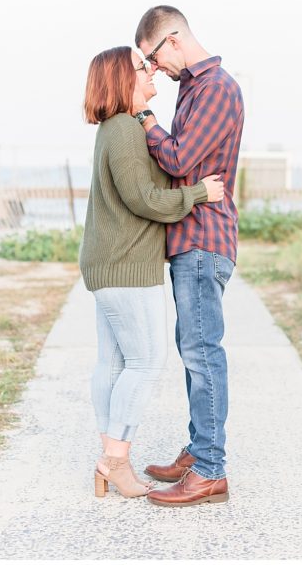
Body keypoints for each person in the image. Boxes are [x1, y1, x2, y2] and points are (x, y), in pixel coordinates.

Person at [79, 46, 225, 499]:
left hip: (112, 262)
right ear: (123, 77)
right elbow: (142, 198)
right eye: (143, 67)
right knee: (145, 362)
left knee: (115, 363)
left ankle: (110, 460)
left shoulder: (116, 128)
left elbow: (142, 188)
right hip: (126, 265)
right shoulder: (122, 129)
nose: (152, 72)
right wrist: (198, 193)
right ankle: (115, 461)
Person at [132, 6, 245, 507]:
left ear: (174, 40)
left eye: (153, 57)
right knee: (193, 351)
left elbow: (179, 159)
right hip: (191, 240)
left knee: (202, 354)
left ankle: (209, 469)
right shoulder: (195, 88)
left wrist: (146, 118)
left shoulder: (217, 88)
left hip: (204, 238)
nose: (154, 69)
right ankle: (199, 450)